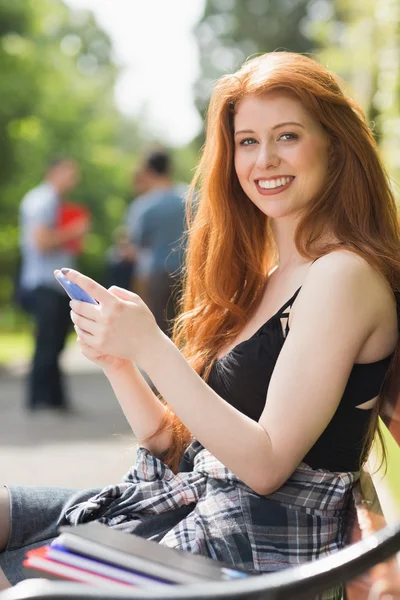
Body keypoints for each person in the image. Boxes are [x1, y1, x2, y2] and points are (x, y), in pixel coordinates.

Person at [1, 52, 399, 600]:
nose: (264, 160)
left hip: (247, 553)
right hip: (185, 508)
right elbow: (173, 442)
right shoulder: (274, 275)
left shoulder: (343, 275)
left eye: (287, 136)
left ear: (334, 144)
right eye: (248, 141)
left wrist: (153, 345)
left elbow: (263, 464)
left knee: (17, 584)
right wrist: (120, 362)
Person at [17, 157, 88, 411]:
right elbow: (41, 242)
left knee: (55, 342)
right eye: (70, 174)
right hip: (43, 283)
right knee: (47, 342)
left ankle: (53, 399)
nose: (74, 180)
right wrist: (74, 231)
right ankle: (39, 400)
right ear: (54, 172)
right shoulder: (42, 200)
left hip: (53, 284)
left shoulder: (54, 202)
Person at [125, 150, 187, 336]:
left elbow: (135, 246)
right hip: (190, 271)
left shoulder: (144, 206)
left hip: (158, 274)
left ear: (149, 171)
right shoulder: (192, 197)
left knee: (162, 330)